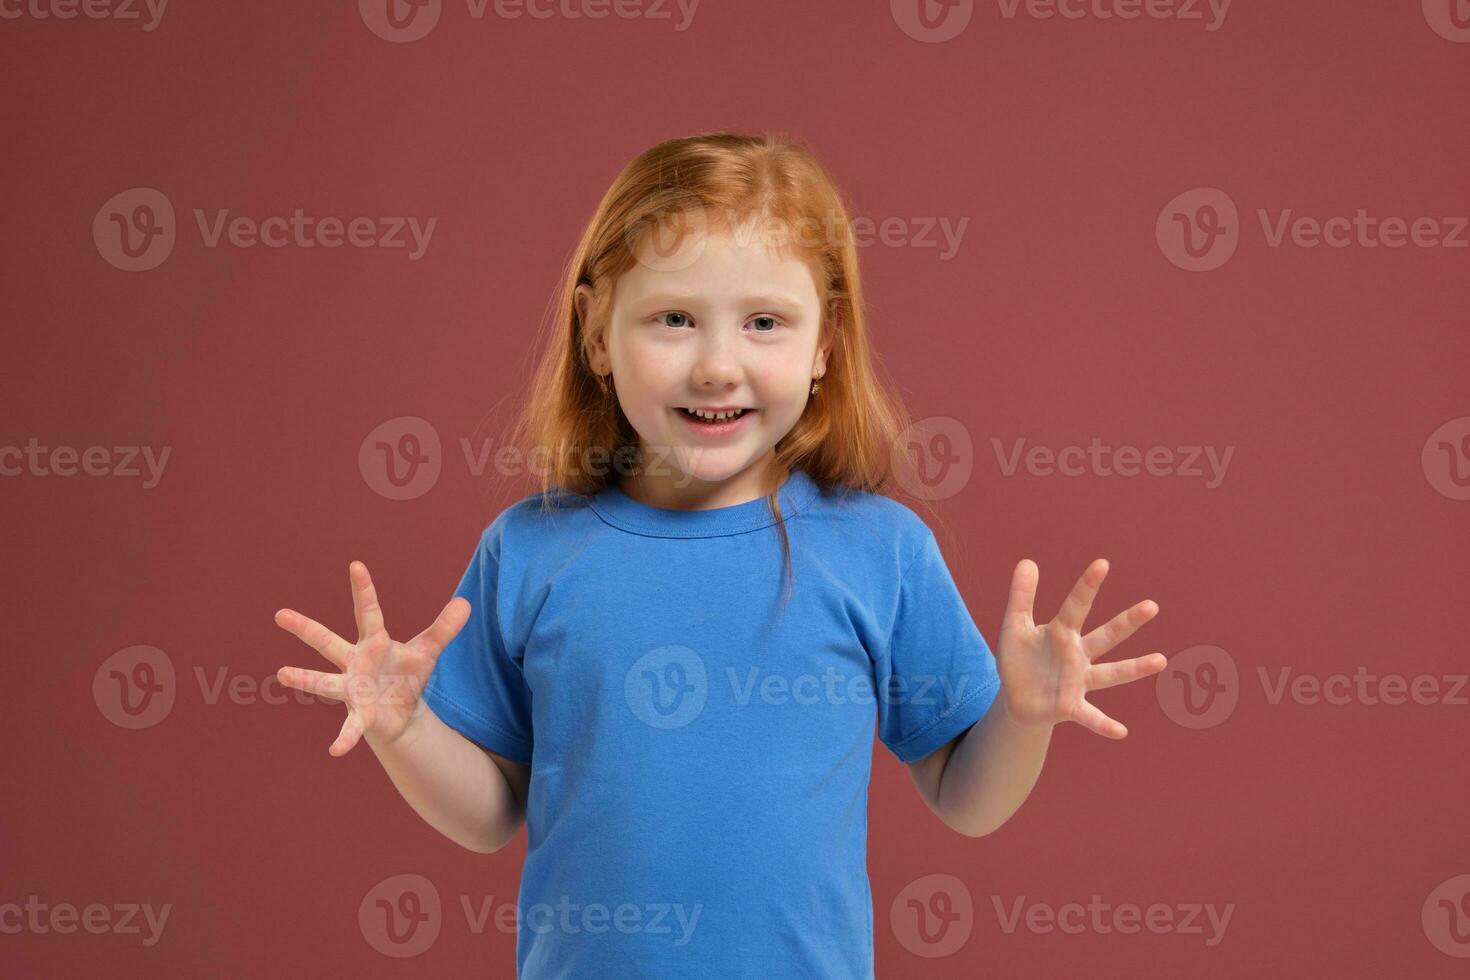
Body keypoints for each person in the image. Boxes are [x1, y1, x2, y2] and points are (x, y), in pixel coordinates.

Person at [273, 131, 1167, 979]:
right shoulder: (530, 552)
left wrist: (1023, 715)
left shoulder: (878, 549)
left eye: (765, 324)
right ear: (595, 333)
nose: (716, 366)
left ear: (826, 344)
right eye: (673, 318)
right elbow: (489, 814)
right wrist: (405, 730)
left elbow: (967, 798)